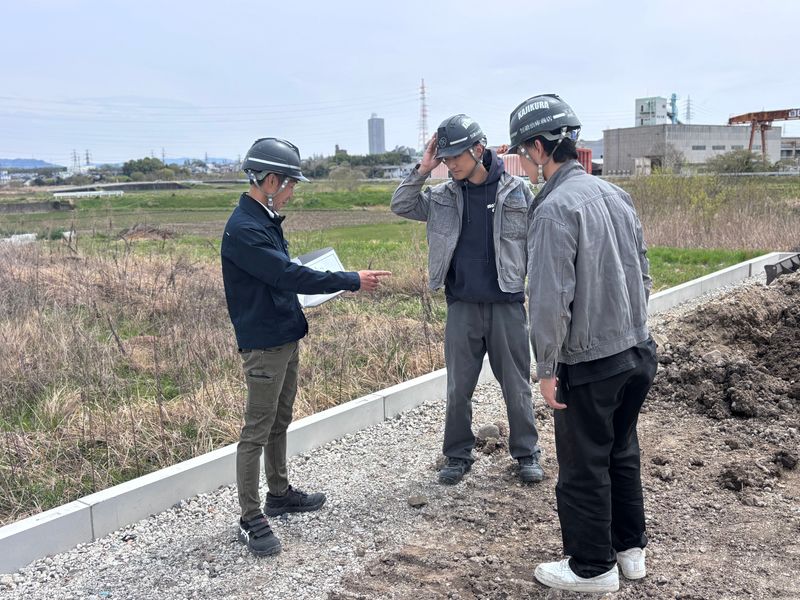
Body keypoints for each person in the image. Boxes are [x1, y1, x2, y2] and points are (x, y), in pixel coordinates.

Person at [505, 94, 657, 593]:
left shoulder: (554, 209)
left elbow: (550, 299)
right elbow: (643, 272)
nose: (524, 161)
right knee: (621, 450)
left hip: (591, 362)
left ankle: (592, 568)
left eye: (524, 151)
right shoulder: (616, 194)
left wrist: (546, 368)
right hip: (637, 350)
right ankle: (629, 551)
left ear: (538, 147)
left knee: (583, 463)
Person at [221, 137, 390, 556]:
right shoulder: (245, 230)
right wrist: (350, 280)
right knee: (256, 430)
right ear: (271, 180)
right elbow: (286, 275)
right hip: (264, 344)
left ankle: (278, 494)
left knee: (279, 419)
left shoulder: (263, 219)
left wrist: (327, 286)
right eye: (291, 183)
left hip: (284, 334)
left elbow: (285, 277)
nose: (293, 191)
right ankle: (250, 517)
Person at [391, 114, 543, 486]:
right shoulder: (442, 196)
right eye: (445, 158)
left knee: (517, 386)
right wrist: (424, 168)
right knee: (459, 388)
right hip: (462, 306)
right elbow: (401, 204)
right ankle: (457, 455)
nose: (451, 164)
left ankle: (527, 453)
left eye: (456, 156)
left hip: (507, 305)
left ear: (478, 148)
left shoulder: (517, 192)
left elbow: (539, 242)